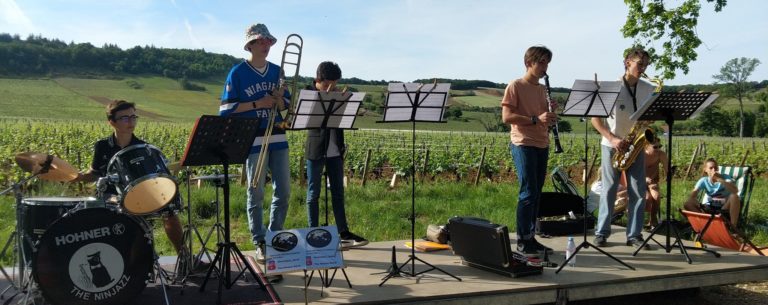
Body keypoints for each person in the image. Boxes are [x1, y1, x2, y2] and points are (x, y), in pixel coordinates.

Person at [72, 100, 202, 270]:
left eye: (133, 117)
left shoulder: (141, 147)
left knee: (169, 211)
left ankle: (185, 259)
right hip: (111, 197)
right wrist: (75, 176)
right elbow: (95, 173)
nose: (131, 122)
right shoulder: (102, 146)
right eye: (125, 118)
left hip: (140, 194)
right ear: (111, 122)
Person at [218, 23, 291, 268]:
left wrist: (280, 100)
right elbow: (226, 110)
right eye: (261, 41)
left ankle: (275, 235)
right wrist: (257, 103)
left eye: (269, 42)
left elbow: (286, 107)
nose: (266, 46)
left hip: (278, 136)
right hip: (253, 139)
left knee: (284, 191)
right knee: (256, 191)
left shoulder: (278, 71)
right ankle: (259, 239)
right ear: (250, 45)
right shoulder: (237, 73)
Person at [591, 47, 656, 249]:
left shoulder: (649, 87)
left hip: (635, 144)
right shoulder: (611, 87)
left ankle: (634, 235)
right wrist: (612, 139)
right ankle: (601, 232)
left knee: (638, 190)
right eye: (640, 64)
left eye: (646, 64)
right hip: (612, 145)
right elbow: (596, 120)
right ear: (627, 62)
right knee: (609, 189)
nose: (643, 68)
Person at [304, 61, 368, 248]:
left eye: (335, 84)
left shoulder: (338, 95)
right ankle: (312, 232)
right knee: (313, 193)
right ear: (318, 80)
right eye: (327, 85)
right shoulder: (308, 95)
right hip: (316, 149)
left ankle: (343, 232)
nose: (331, 88)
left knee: (338, 192)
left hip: (335, 149)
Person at [501, 45, 557, 256]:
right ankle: (523, 241)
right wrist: (536, 119)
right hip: (523, 143)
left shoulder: (543, 89)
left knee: (536, 194)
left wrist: (551, 114)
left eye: (547, 63)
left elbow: (543, 118)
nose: (545, 67)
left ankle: (531, 237)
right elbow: (506, 117)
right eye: (541, 62)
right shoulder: (516, 85)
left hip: (542, 142)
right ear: (528, 63)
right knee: (527, 192)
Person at [683, 158, 741, 227]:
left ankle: (733, 227)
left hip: (723, 208)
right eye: (711, 168)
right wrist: (695, 199)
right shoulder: (704, 180)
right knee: (688, 203)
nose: (713, 170)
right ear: (705, 170)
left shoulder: (725, 177)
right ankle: (705, 222)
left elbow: (735, 191)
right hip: (709, 208)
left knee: (734, 196)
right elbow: (692, 197)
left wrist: (719, 180)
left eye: (715, 168)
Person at [644, 137, 668, 229]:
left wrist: (668, 176)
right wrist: (644, 179)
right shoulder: (641, 154)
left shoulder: (661, 154)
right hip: (639, 180)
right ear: (647, 146)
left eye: (659, 146)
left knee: (656, 197)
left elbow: (667, 170)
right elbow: (634, 171)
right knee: (647, 198)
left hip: (652, 182)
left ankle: (652, 220)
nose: (658, 149)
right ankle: (638, 221)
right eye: (655, 147)